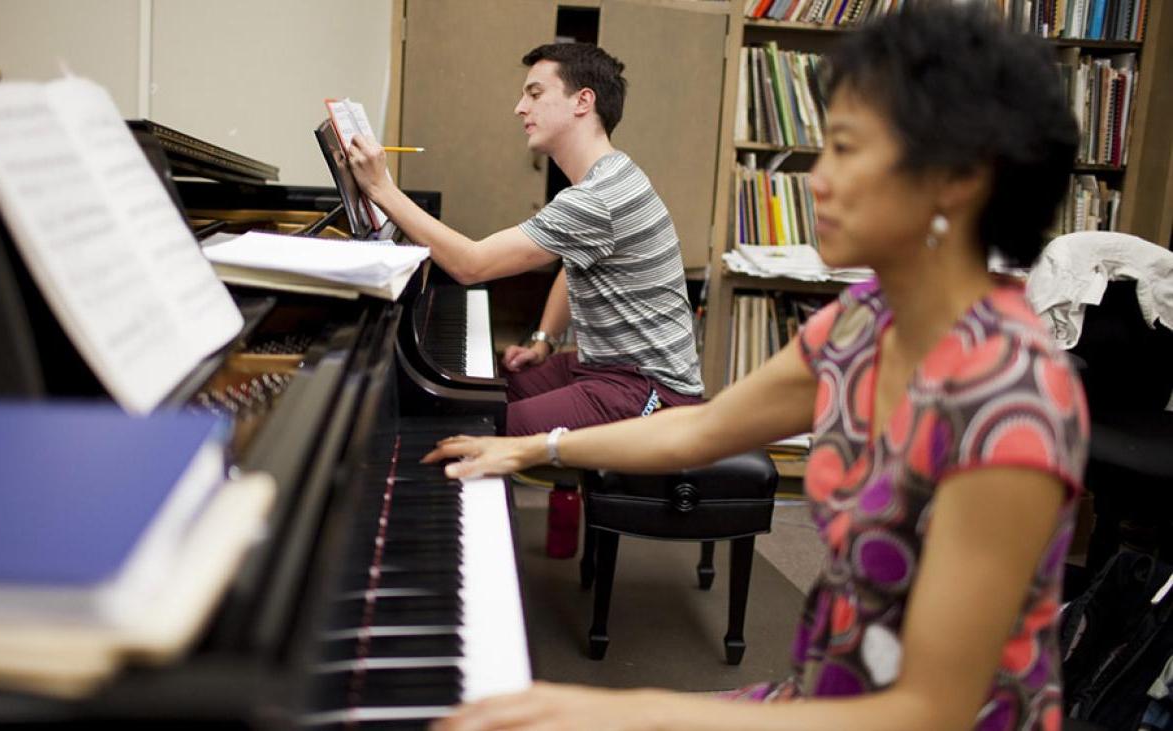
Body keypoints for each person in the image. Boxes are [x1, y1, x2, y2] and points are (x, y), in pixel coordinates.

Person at [423, 4, 1088, 730]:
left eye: (845, 149)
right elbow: (699, 429)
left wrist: (629, 710)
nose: (817, 179)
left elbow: (928, 712)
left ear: (955, 178)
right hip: (824, 694)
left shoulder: (1014, 399)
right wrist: (531, 446)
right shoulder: (864, 322)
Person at [347, 43, 704, 436]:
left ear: (583, 101)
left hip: (650, 392)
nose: (520, 108)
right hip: (606, 369)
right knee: (489, 389)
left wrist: (382, 189)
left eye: (534, 94)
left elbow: (470, 264)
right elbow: (574, 270)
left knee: (477, 431)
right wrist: (543, 340)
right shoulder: (613, 175)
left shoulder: (596, 198)